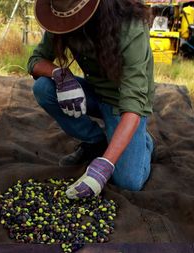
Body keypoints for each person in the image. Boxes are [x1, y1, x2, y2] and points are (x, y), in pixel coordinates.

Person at [28, 0, 155, 199]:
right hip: (94, 93)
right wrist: (61, 75)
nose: (72, 25)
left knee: (128, 182)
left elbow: (134, 104)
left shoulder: (130, 25)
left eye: (76, 18)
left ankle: (145, 142)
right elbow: (35, 61)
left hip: (122, 104)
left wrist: (104, 166)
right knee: (44, 88)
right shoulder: (62, 17)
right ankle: (95, 142)